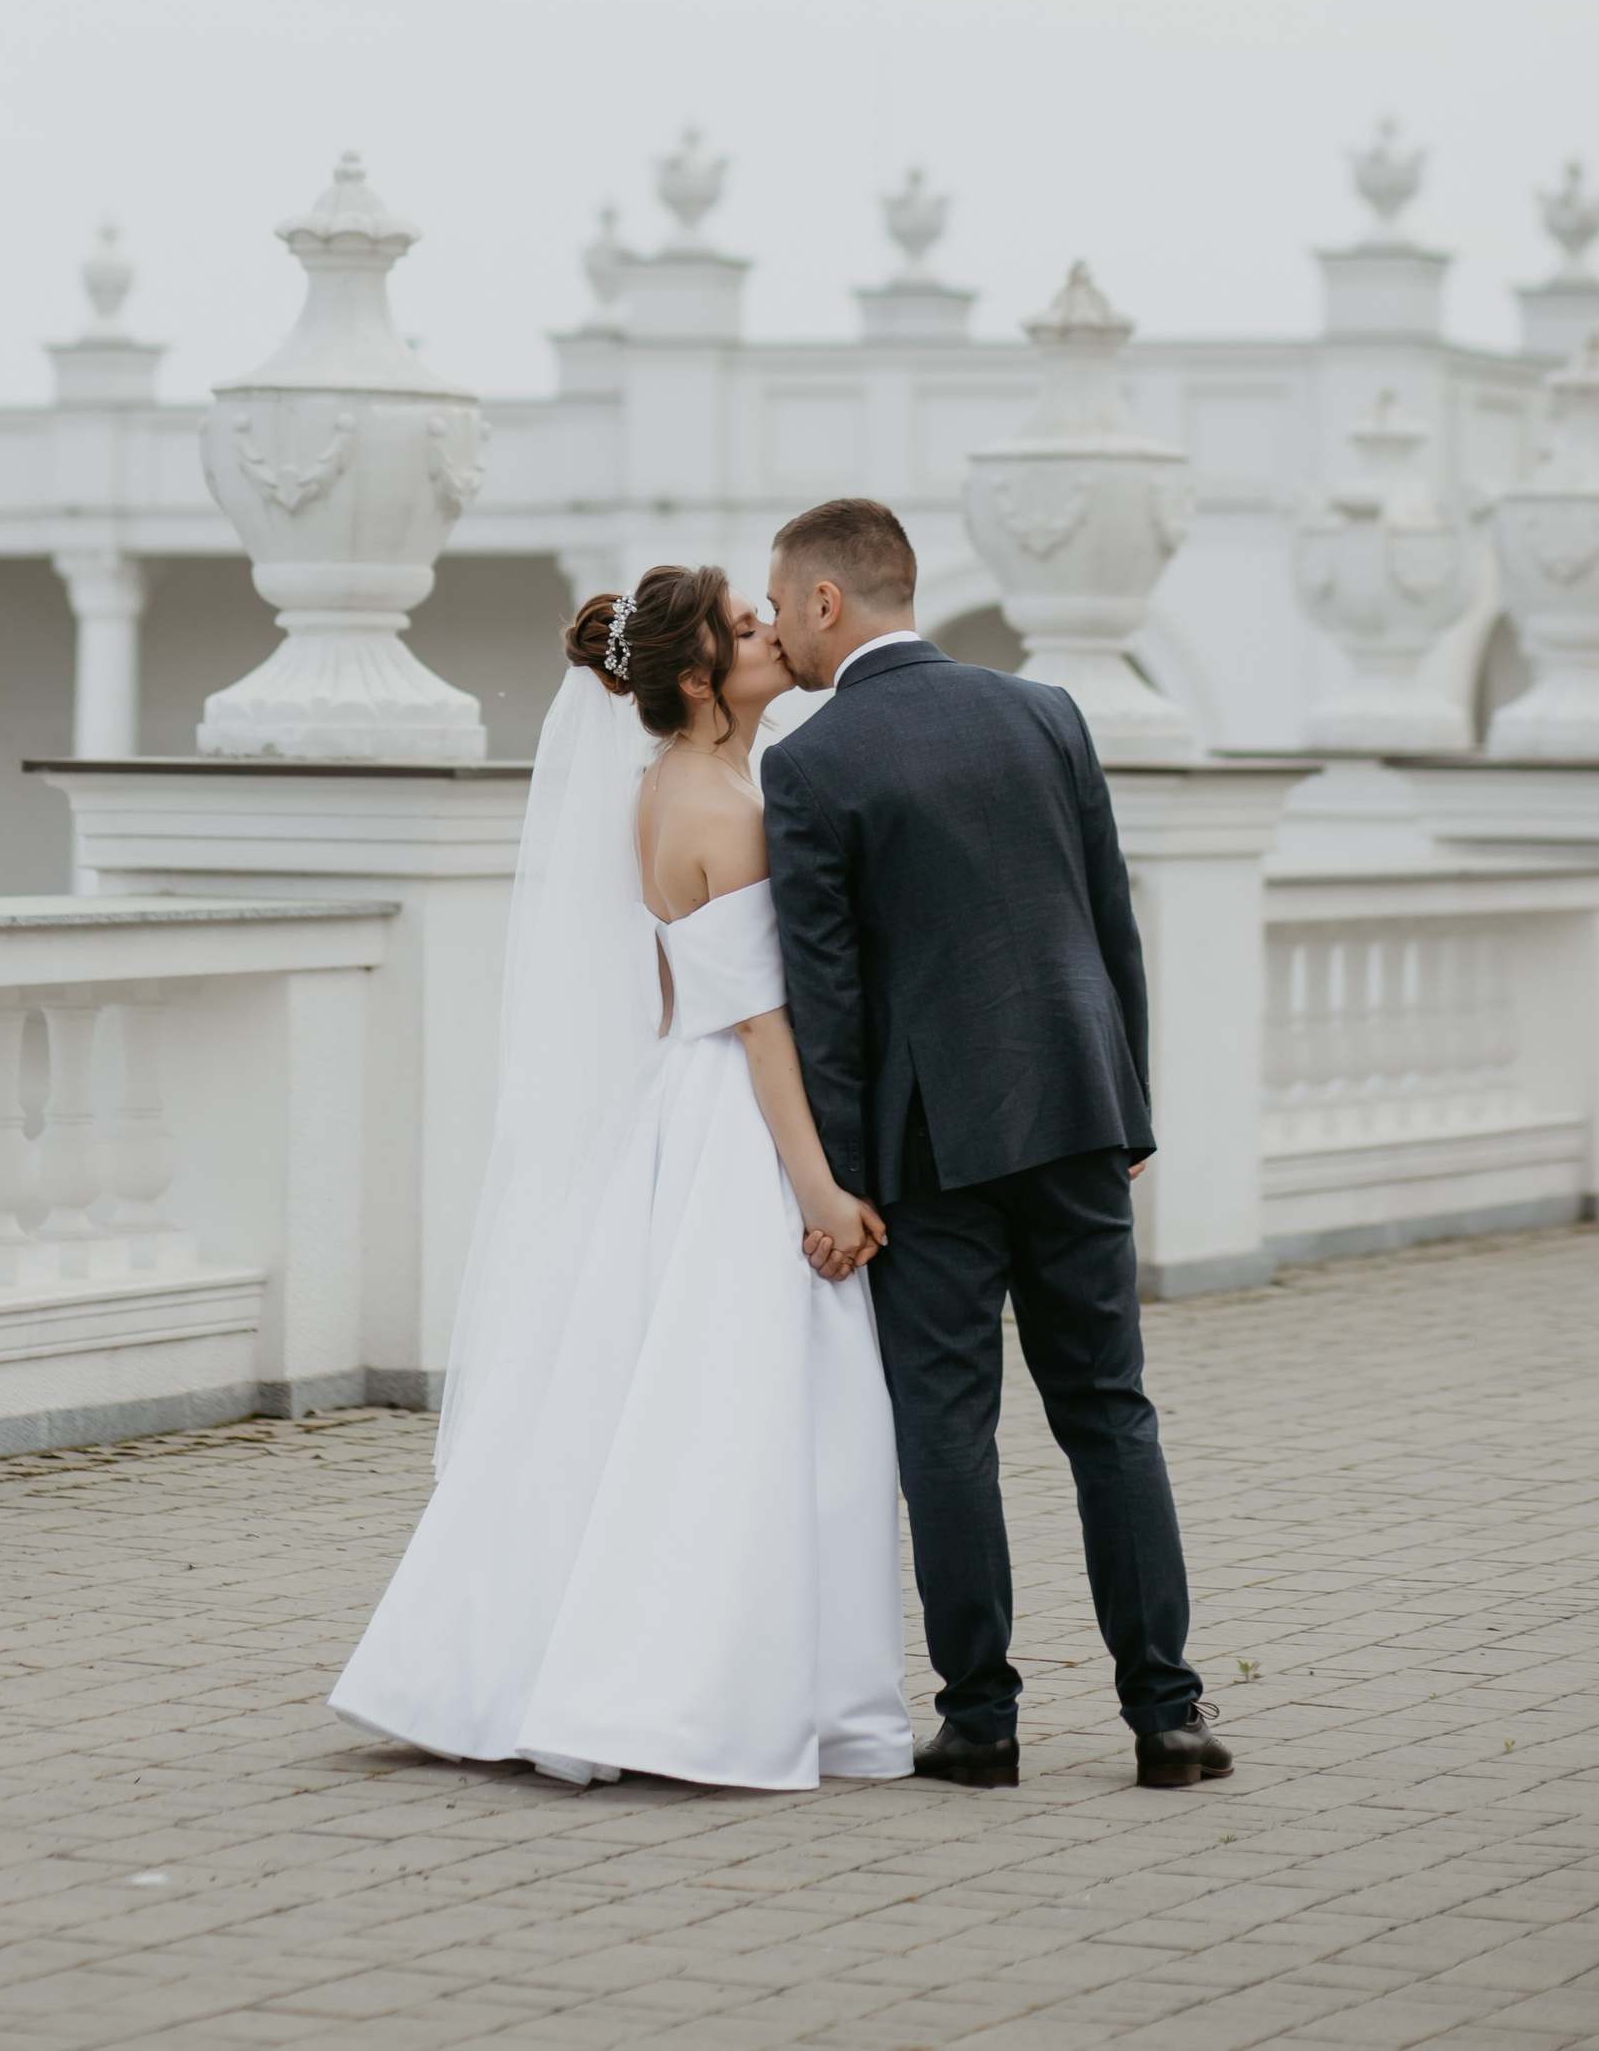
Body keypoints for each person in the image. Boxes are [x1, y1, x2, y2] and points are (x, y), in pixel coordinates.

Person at [330, 564, 913, 1792]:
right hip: (733, 1125)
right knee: (741, 1416)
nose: (771, 638)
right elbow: (760, 1026)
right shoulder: (731, 809)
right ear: (701, 677)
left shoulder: (654, 790)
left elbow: (669, 991)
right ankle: (683, 1693)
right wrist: (815, 1191)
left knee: (625, 1401)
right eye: (748, 629)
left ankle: (535, 1661)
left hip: (670, 1107)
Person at [761, 495, 1232, 1791]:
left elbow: (831, 998)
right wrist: (1124, 1098)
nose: (777, 631)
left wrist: (844, 1182)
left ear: (825, 601)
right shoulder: (1045, 712)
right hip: (1077, 1110)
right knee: (1109, 1413)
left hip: (929, 1145)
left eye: (779, 600)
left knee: (949, 1430)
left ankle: (982, 1722)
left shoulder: (807, 763)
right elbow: (1107, 918)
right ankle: (1170, 1719)